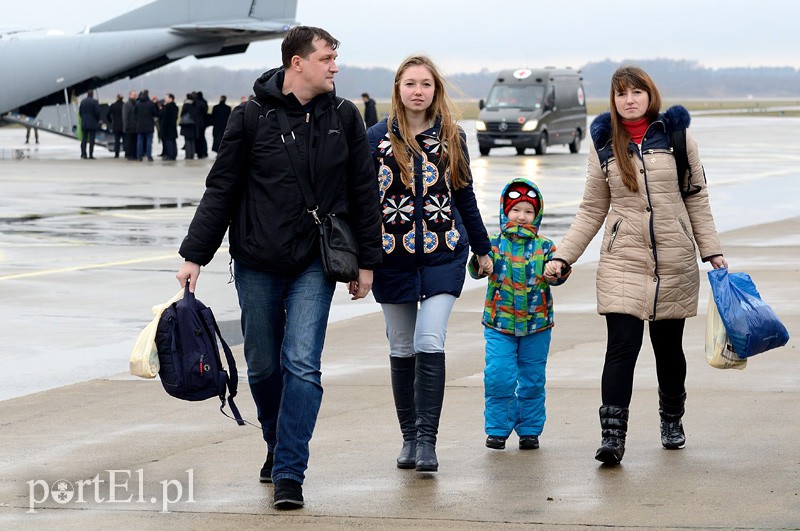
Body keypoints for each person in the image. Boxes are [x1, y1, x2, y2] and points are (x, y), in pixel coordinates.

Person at [176, 26, 381, 509]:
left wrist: (367, 262)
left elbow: (363, 194)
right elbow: (221, 190)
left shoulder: (345, 117)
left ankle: (290, 469)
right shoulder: (248, 117)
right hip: (256, 260)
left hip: (316, 261)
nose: (335, 66)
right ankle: (275, 443)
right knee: (264, 366)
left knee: (303, 363)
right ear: (297, 63)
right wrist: (194, 255)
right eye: (328, 58)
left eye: (336, 58)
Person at [543, 65, 728, 465]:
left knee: (668, 349)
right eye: (621, 94)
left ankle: (671, 419)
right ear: (613, 100)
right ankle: (613, 438)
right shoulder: (604, 141)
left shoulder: (676, 136)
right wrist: (562, 256)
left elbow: (696, 198)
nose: (629, 100)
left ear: (649, 95)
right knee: (621, 347)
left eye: (636, 92)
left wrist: (711, 251)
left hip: (674, 259)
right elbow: (592, 208)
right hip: (622, 260)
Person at [366, 55, 492, 473]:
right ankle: (407, 438)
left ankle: (427, 442)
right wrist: (361, 260)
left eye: (425, 84)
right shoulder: (374, 139)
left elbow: (465, 196)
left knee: (429, 340)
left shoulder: (453, 137)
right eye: (409, 84)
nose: (417, 91)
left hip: (444, 255)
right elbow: (363, 205)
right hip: (391, 259)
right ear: (397, 89)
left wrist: (482, 247)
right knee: (401, 346)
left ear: (435, 90)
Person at [468, 178, 570, 451]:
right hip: (499, 324)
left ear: (536, 215)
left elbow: (560, 272)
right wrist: (481, 263)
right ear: (505, 211)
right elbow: (475, 268)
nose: (521, 217)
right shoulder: (492, 244)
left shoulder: (545, 247)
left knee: (533, 378)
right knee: (499, 375)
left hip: (537, 324)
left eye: (528, 211)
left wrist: (556, 271)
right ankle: (498, 429)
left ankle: (529, 430)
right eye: (516, 210)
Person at [134, 90, 159, 161]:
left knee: (139, 141)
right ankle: (149, 156)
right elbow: (155, 113)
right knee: (149, 141)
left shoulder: (137, 103)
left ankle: (139, 156)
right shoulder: (150, 103)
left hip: (139, 125)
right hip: (149, 125)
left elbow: (135, 113)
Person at [78, 90, 101, 159]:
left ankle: (83, 154)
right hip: (92, 123)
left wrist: (84, 119)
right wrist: (97, 120)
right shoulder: (95, 102)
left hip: (84, 123)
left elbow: (80, 112)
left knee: (84, 139)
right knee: (91, 140)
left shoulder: (83, 102)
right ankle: (91, 154)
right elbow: (97, 112)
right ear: (92, 94)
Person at [160, 93, 179, 161]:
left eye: (166, 98)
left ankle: (170, 155)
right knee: (173, 142)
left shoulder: (167, 107)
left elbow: (164, 118)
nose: (165, 99)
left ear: (171, 99)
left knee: (169, 142)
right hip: (173, 127)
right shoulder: (175, 107)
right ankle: (174, 155)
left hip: (167, 128)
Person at [179, 94, 199, 160]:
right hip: (193, 125)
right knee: (192, 141)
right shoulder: (195, 105)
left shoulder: (186, 105)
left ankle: (188, 155)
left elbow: (182, 114)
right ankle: (192, 155)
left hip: (186, 125)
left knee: (187, 140)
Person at [193, 91, 209, 158]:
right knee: (202, 138)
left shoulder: (195, 102)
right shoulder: (204, 102)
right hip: (203, 123)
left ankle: (199, 152)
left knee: (197, 138)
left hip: (196, 123)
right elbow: (205, 112)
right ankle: (204, 152)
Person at [122, 90, 138, 160]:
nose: (135, 96)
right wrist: (126, 125)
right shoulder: (127, 104)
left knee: (134, 142)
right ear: (130, 95)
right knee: (129, 142)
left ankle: (134, 154)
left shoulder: (136, 104)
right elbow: (125, 116)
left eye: (135, 95)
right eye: (133, 95)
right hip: (129, 127)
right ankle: (129, 155)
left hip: (136, 127)